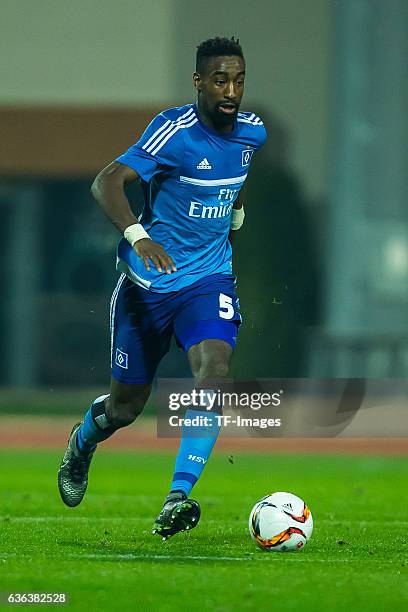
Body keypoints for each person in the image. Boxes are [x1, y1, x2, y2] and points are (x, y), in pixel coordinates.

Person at [58, 36, 266, 540]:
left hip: (209, 280)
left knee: (214, 367)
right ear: (198, 81)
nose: (231, 90)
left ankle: (179, 494)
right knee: (126, 407)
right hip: (148, 286)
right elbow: (106, 182)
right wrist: (139, 236)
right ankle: (82, 444)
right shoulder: (172, 131)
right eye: (220, 80)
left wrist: (233, 217)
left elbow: (233, 183)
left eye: (238, 79)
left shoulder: (253, 134)